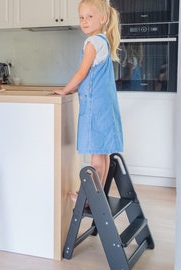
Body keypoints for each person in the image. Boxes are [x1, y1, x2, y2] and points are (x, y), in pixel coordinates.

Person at [54, 0, 123, 202]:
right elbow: (91, 75)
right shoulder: (103, 40)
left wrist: (66, 90)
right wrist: (73, 88)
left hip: (95, 107)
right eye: (81, 17)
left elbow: (83, 72)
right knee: (102, 155)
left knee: (95, 158)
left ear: (103, 18)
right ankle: (97, 197)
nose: (84, 21)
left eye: (89, 17)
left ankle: (90, 200)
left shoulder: (92, 42)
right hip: (105, 105)